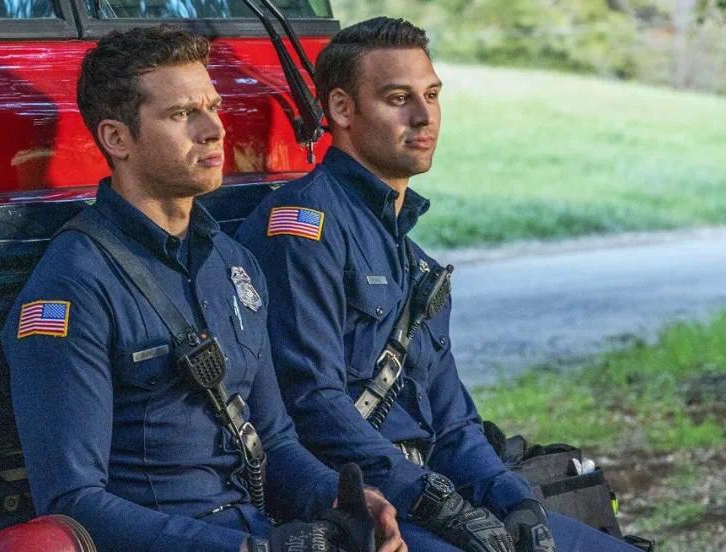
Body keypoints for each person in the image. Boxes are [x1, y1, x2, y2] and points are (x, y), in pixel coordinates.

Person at [236, 17, 641, 552]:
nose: (424, 116)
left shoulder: (413, 259)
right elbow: (312, 404)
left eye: (431, 95)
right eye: (398, 99)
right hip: (364, 506)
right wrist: (435, 501)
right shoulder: (303, 229)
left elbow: (453, 423)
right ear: (342, 109)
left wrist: (514, 500)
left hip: (433, 492)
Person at [0, 26, 406, 552]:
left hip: (258, 532)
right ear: (117, 138)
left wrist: (341, 500)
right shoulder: (73, 284)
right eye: (181, 114)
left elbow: (275, 441)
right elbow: (73, 501)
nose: (214, 129)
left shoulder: (234, 264)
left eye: (212, 107)